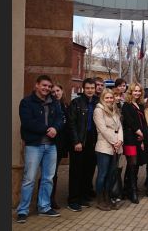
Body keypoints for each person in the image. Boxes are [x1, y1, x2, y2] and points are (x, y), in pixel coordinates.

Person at [16, 75, 63, 223]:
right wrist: (47, 129)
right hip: (34, 146)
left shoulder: (54, 102)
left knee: (48, 178)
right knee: (29, 179)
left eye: (49, 86)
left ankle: (44, 207)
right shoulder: (26, 102)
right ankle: (22, 210)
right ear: (37, 85)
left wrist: (56, 128)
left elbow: (60, 118)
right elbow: (27, 122)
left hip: (51, 146)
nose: (47, 88)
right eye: (44, 85)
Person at [67, 78, 99, 212]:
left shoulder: (97, 102)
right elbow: (71, 123)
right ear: (83, 89)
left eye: (92, 88)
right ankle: (73, 200)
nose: (90, 90)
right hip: (80, 141)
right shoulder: (76, 102)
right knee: (76, 171)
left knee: (88, 170)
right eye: (88, 88)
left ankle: (83, 196)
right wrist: (76, 141)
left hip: (93, 141)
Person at [93, 89, 124, 211]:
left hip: (116, 147)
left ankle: (108, 197)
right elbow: (103, 129)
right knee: (103, 174)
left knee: (111, 174)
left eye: (111, 97)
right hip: (104, 147)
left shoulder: (115, 109)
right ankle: (100, 199)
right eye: (107, 98)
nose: (110, 100)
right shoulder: (98, 111)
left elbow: (120, 127)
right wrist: (114, 142)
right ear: (102, 98)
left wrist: (120, 141)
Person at [121, 82, 147, 204]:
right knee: (132, 163)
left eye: (139, 91)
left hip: (139, 139)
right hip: (130, 139)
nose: (137, 93)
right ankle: (133, 191)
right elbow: (130, 121)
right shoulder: (126, 105)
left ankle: (127, 189)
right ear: (130, 92)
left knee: (135, 166)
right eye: (135, 91)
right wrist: (139, 132)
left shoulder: (141, 105)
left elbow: (143, 122)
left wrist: (143, 136)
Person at [50, 83, 70, 210]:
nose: (56, 93)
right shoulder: (50, 105)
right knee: (50, 172)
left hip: (62, 143)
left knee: (54, 171)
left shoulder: (65, 105)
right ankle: (48, 199)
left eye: (57, 90)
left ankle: (52, 198)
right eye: (53, 92)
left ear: (62, 91)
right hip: (52, 142)